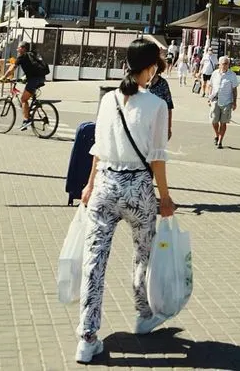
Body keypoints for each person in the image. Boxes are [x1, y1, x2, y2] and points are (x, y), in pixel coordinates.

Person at [77, 38, 176, 364]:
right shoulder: (157, 106)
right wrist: (165, 197)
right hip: (137, 189)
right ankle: (143, 315)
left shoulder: (107, 101)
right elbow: (158, 159)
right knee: (143, 255)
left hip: (105, 185)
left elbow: (97, 147)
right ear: (149, 69)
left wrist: (89, 185)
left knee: (94, 261)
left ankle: (87, 337)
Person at [14, 42, 48, 132]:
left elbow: (12, 68)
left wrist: (4, 77)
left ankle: (26, 120)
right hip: (40, 78)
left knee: (23, 99)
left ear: (23, 48)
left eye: (18, 48)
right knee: (29, 97)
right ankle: (31, 112)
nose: (17, 50)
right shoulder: (31, 55)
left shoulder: (22, 56)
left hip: (34, 80)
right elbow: (31, 69)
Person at [208, 55, 238, 148]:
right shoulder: (215, 73)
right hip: (215, 99)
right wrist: (209, 98)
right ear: (219, 64)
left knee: (223, 122)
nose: (226, 65)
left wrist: (234, 102)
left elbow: (234, 89)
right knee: (214, 121)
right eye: (224, 64)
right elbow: (211, 86)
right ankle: (217, 135)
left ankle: (220, 141)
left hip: (227, 101)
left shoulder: (232, 75)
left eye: (227, 64)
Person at [147, 55, 174, 141]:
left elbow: (169, 107)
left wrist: (168, 128)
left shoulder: (163, 84)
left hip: (158, 125)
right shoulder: (141, 83)